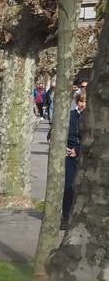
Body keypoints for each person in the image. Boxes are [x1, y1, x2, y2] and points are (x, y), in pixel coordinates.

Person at [62, 89, 86, 230]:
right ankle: (66, 216)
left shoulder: (92, 118)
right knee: (69, 186)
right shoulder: (70, 116)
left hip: (84, 156)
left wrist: (77, 150)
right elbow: (53, 134)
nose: (83, 104)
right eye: (81, 101)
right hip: (69, 156)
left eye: (85, 101)